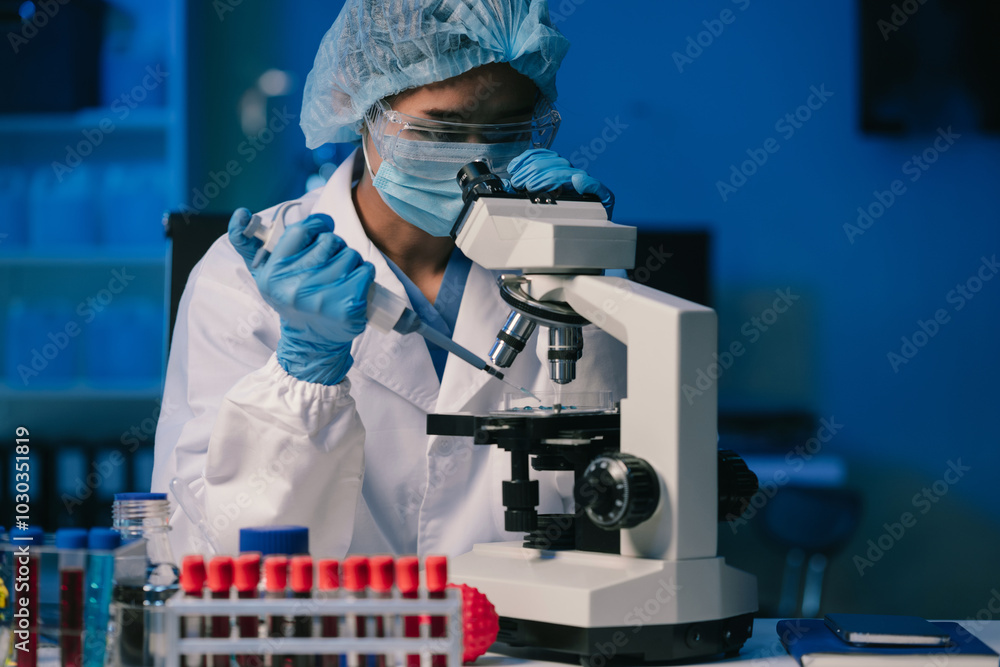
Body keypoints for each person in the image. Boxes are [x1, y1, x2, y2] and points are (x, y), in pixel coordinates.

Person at [151, 0, 626, 559]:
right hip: (339, 638)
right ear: (355, 105)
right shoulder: (244, 278)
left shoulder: (560, 259)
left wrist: (579, 265)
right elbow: (210, 547)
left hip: (524, 637)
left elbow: (622, 481)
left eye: (508, 128)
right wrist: (301, 374)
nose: (478, 158)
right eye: (443, 127)